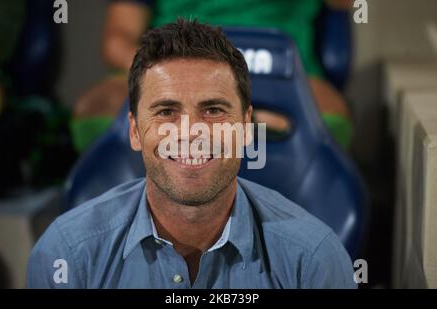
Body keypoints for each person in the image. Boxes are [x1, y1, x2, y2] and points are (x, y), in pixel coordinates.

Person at [27, 19, 356, 288]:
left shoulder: (315, 260)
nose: (190, 132)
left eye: (213, 110)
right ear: (135, 131)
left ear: (245, 128)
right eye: (166, 111)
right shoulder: (66, 255)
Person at [72, 0, 353, 153]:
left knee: (326, 116)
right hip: (173, 61)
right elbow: (118, 39)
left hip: (279, 70)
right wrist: (164, 72)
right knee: (96, 109)